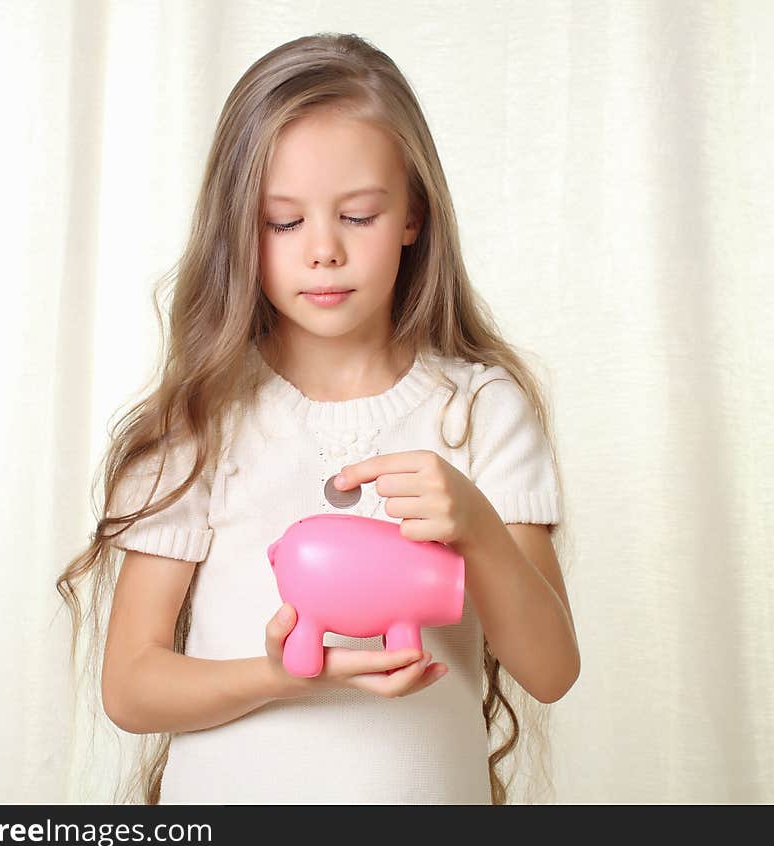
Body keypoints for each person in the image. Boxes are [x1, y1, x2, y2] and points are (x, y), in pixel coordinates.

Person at [57, 32, 580, 806]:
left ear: (413, 216)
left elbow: (551, 668)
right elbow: (131, 686)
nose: (323, 251)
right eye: (284, 222)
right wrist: (281, 675)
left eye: (359, 216)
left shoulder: (479, 411)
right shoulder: (202, 420)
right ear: (240, 229)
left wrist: (474, 524)